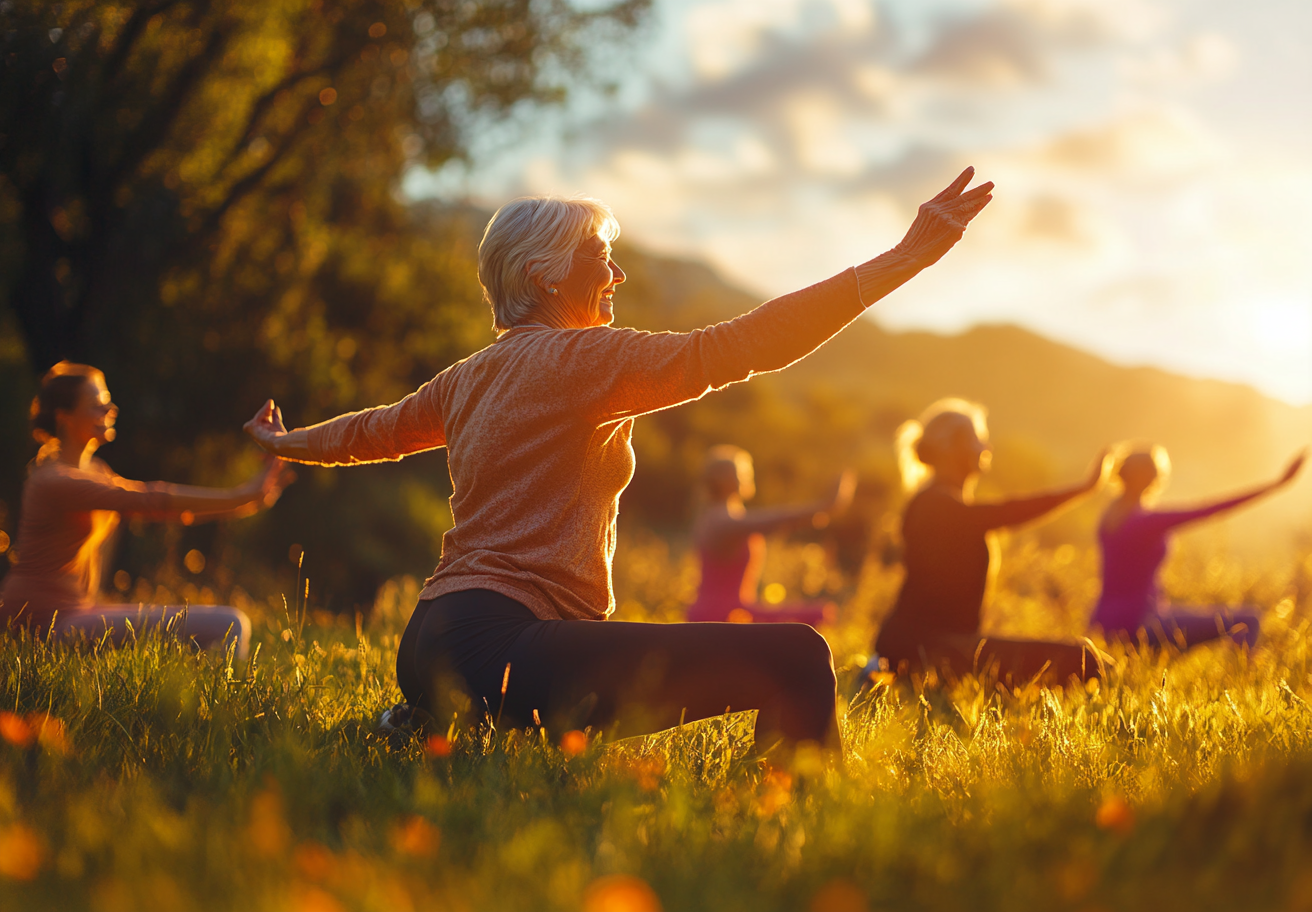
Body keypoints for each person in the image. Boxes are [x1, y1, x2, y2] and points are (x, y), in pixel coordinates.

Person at [244, 168, 994, 755]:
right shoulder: (583, 358)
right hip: (501, 646)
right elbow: (746, 345)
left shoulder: (467, 376)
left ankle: (425, 719)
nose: (618, 276)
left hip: (433, 639)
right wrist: (903, 258)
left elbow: (370, 432)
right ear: (544, 275)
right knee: (797, 656)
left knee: (543, 694)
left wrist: (286, 442)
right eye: (601, 258)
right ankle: (789, 834)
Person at [1, 362, 292, 658]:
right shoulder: (54, 479)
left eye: (108, 400)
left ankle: (193, 700)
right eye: (97, 404)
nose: (111, 408)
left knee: (224, 625)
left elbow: (167, 512)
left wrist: (249, 502)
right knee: (230, 624)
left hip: (75, 614)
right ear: (64, 418)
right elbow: (147, 498)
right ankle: (213, 703)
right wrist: (241, 494)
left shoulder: (95, 470)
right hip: (43, 624)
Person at [871, 398, 1108, 684]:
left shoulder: (941, 502)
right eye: (977, 440)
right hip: (920, 649)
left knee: (1092, 660)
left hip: (938, 645)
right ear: (949, 448)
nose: (987, 448)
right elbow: (1008, 511)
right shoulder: (935, 505)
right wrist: (1084, 488)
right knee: (1083, 660)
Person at [1090, 445, 1304, 650]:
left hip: (1102, 622)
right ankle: (1238, 679)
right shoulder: (1146, 521)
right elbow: (1209, 509)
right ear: (1153, 478)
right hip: (1143, 623)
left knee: (1182, 618)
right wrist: (1275, 485)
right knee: (1248, 619)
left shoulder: (1109, 517)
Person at [688, 445, 853, 625]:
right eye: (740, 471)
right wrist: (821, 507)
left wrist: (816, 511)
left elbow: (769, 521)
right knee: (813, 617)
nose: (747, 475)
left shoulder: (720, 515)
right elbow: (771, 520)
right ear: (722, 480)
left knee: (813, 615)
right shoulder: (720, 520)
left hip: (723, 614)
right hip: (720, 618)